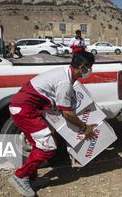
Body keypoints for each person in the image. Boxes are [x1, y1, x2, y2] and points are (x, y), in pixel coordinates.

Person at [8, 50, 97, 196]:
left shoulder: (64, 74)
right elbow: (67, 113)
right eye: (90, 67)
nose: (90, 71)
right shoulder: (64, 81)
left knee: (41, 145)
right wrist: (84, 127)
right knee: (47, 148)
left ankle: (31, 178)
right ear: (83, 67)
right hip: (25, 111)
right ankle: (19, 176)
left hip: (26, 109)